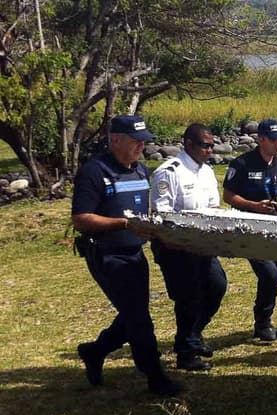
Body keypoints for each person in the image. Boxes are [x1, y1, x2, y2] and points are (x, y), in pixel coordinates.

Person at [73, 115, 181, 396]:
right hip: (107, 255)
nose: (141, 147)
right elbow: (81, 218)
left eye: (144, 142)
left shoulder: (141, 171)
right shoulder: (94, 172)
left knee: (133, 315)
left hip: (135, 253)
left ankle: (95, 351)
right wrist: (122, 224)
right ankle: (155, 376)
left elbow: (145, 212)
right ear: (116, 140)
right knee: (139, 318)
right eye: (135, 141)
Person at [150, 124, 228, 371]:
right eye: (205, 145)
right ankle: (186, 352)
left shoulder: (206, 172)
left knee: (216, 286)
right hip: (175, 246)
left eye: (212, 145)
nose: (210, 150)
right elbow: (162, 214)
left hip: (202, 245)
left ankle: (193, 335)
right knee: (188, 298)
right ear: (189, 144)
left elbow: (213, 208)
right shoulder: (169, 172)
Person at [223, 119, 277, 341]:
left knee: (275, 276)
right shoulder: (242, 164)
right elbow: (228, 196)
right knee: (268, 274)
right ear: (261, 139)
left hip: (274, 228)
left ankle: (264, 323)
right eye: (274, 139)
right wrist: (253, 206)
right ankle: (262, 322)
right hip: (249, 229)